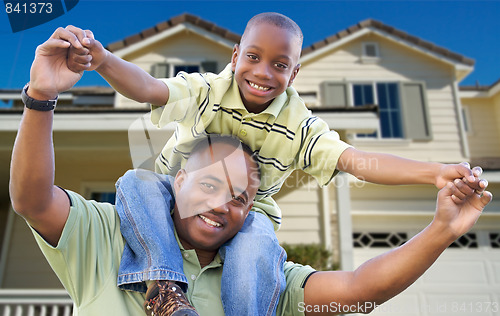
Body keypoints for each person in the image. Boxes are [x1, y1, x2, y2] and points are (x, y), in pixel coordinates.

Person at [10, 26, 493, 315]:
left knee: (259, 236)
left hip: (259, 227)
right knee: (135, 183)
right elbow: (150, 90)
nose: (264, 73)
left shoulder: (261, 268)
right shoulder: (108, 236)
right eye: (210, 184)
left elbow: (359, 285)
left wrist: (436, 194)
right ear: (236, 55)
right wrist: (76, 76)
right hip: (153, 196)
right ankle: (164, 286)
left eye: (280, 64)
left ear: (295, 73)